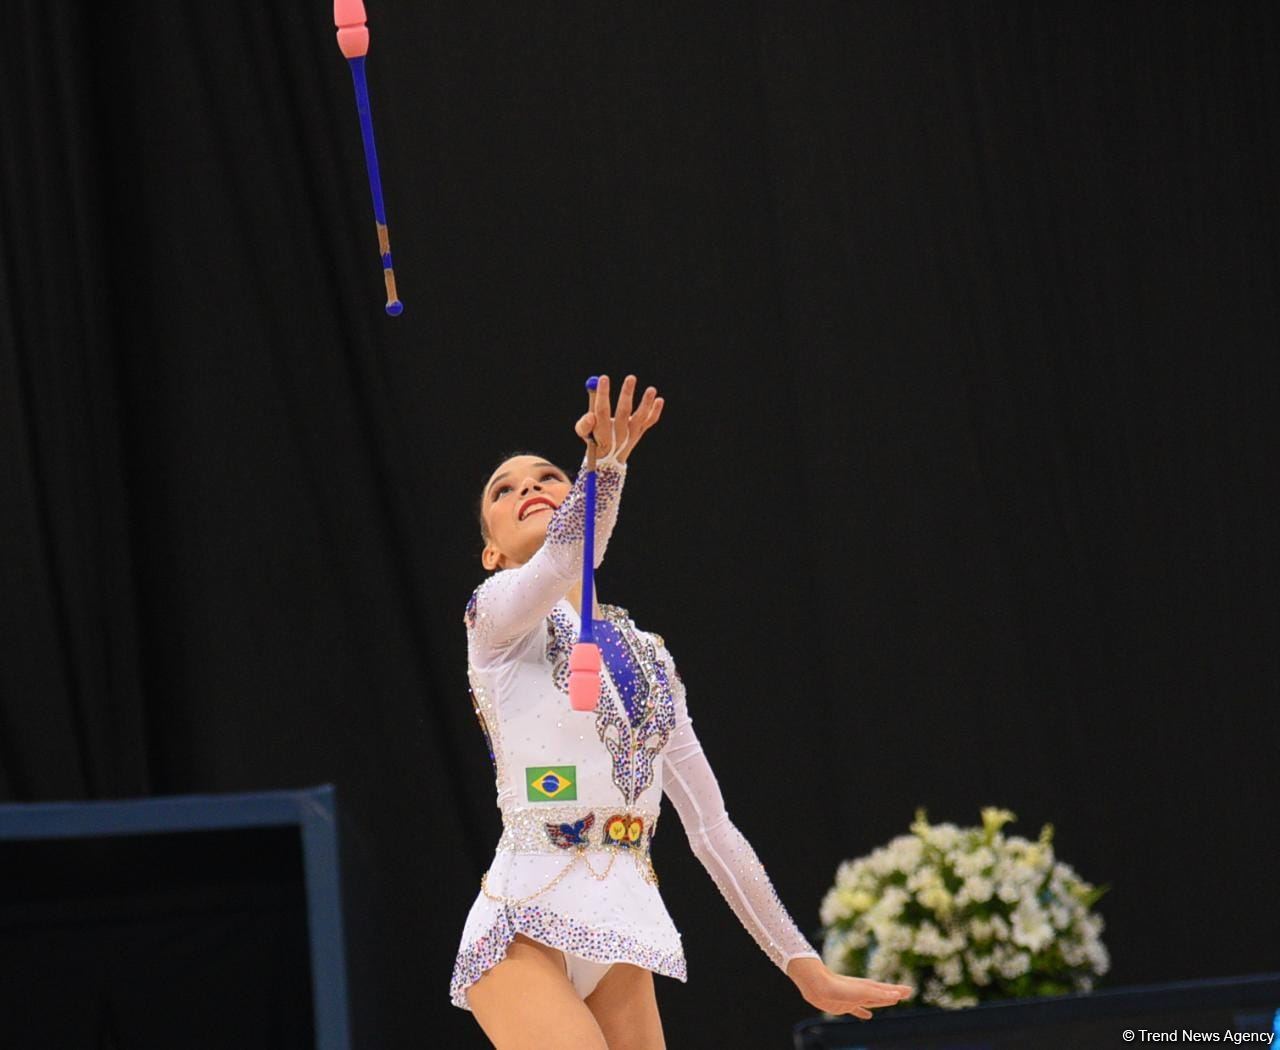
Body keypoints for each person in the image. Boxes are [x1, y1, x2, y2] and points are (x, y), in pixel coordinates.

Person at [450, 375, 913, 1049]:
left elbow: (713, 829)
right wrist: (600, 465)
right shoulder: (491, 618)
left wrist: (802, 966)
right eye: (504, 488)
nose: (528, 488)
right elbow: (565, 559)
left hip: (618, 920)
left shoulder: (649, 657)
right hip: (522, 920)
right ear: (491, 551)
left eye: (546, 476)